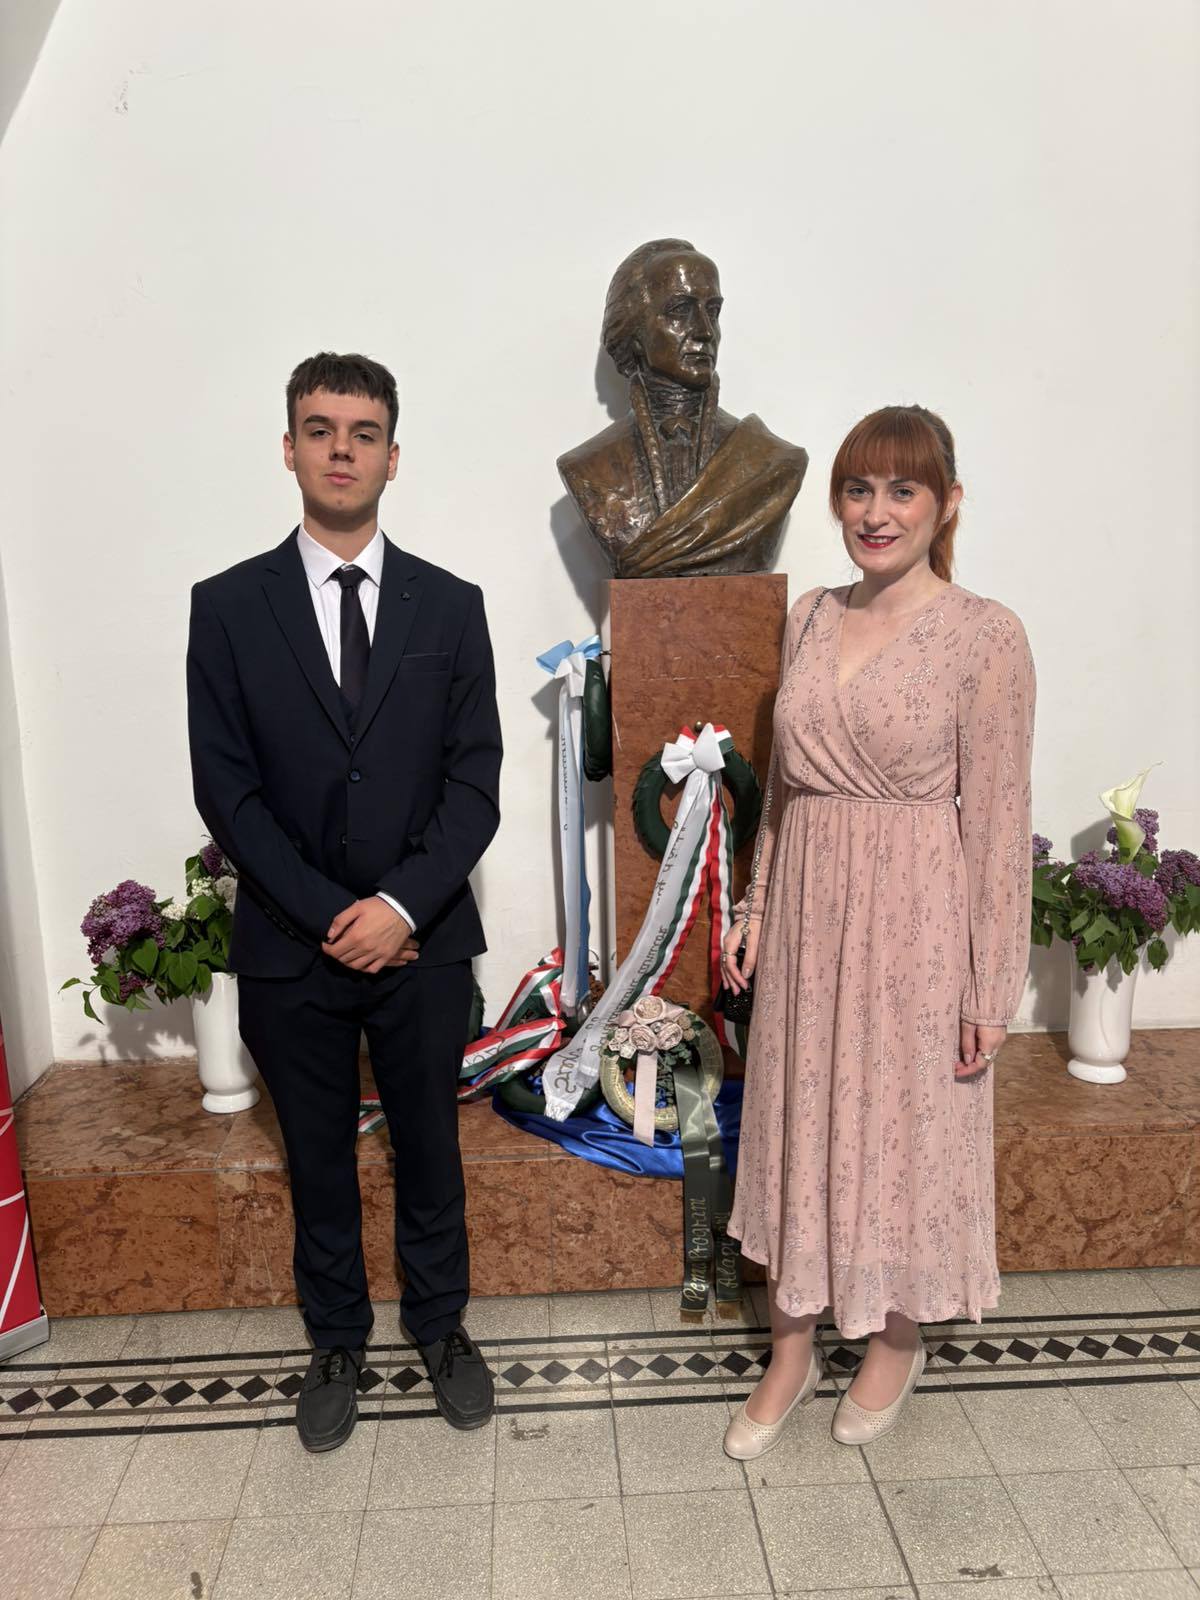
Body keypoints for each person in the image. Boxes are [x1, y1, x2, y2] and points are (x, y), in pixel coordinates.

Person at [187, 351, 502, 1451]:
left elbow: (475, 785)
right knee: (316, 1156)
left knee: (430, 1147)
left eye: (363, 433)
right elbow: (226, 789)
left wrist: (400, 907)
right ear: (289, 448)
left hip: (423, 942)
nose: (340, 450)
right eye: (319, 429)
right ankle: (335, 1341)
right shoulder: (228, 607)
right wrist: (334, 914)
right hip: (291, 945)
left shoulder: (451, 607)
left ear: (392, 457)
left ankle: (442, 1327)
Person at [721, 404, 1035, 1458]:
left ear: (948, 503)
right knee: (799, 1116)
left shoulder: (987, 635)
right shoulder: (810, 615)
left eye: (903, 489)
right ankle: (792, 1342)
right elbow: (786, 788)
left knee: (905, 1123)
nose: (876, 511)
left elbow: (999, 823)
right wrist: (757, 904)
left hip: (915, 921)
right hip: (809, 913)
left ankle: (899, 1335)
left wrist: (991, 988)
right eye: (858, 489)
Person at [557, 238, 807, 577]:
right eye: (679, 310)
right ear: (634, 333)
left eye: (713, 311)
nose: (705, 331)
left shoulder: (772, 461)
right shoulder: (588, 468)